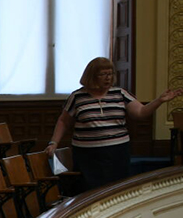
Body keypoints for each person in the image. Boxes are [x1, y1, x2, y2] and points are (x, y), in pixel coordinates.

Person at [46, 57, 182, 191]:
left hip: (117, 152)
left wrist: (159, 101)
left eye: (110, 74)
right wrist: (54, 142)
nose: (108, 78)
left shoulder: (120, 93)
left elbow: (141, 112)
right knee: (89, 190)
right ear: (92, 76)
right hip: (87, 155)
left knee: (117, 190)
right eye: (103, 74)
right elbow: (63, 121)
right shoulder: (77, 97)